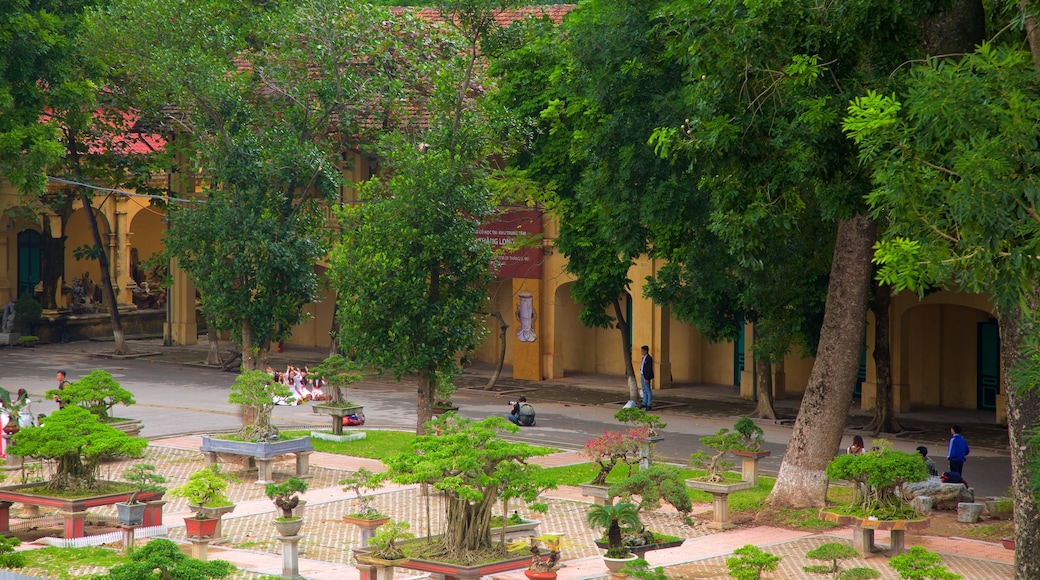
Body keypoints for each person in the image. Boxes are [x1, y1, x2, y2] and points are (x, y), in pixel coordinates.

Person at [638, 345, 654, 410]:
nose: (641, 352)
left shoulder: (649, 358)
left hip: (646, 376)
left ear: (645, 351)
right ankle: (644, 403)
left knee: (648, 390)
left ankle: (649, 404)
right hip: (642, 375)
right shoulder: (643, 357)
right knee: (644, 390)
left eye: (642, 351)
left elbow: (649, 369)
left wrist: (647, 378)